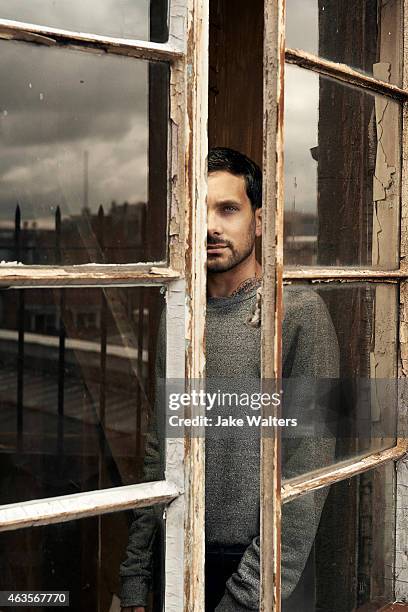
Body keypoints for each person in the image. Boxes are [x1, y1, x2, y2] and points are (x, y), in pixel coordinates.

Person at [119, 147, 340, 612]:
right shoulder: (177, 314)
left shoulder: (299, 315)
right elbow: (162, 445)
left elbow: (308, 471)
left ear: (258, 220)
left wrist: (249, 593)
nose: (210, 226)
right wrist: (136, 575)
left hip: (262, 570)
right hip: (177, 555)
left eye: (227, 208)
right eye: (198, 210)